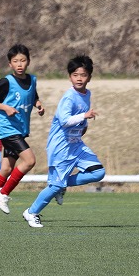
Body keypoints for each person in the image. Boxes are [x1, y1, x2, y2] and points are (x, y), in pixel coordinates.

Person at [22, 55, 105, 228]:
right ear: (69, 77)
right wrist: (84, 116)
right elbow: (65, 120)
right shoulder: (69, 97)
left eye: (83, 75)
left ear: (89, 77)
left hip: (76, 144)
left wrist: (84, 125)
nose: (79, 78)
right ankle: (31, 212)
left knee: (98, 172)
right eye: (75, 75)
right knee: (55, 186)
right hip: (61, 147)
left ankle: (61, 186)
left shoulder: (87, 94)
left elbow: (79, 117)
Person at [0, 43, 45, 222]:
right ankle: (4, 193)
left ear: (28, 61)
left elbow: (33, 96)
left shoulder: (32, 80)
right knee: (30, 161)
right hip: (8, 130)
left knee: (6, 168)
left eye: (23, 60)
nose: (19, 64)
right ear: (10, 64)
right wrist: (6, 108)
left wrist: (38, 105)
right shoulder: (6, 81)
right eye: (15, 61)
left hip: (20, 130)